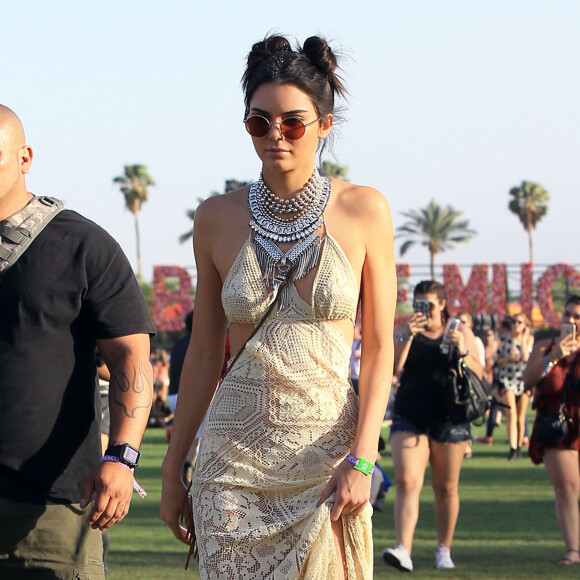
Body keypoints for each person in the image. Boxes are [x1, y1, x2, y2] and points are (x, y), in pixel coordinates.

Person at [160, 34, 396, 579]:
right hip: (231, 468)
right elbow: (201, 353)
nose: (276, 136)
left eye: (293, 122)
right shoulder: (215, 219)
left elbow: (382, 347)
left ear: (325, 124)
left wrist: (363, 459)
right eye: (259, 122)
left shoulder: (364, 210)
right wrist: (174, 468)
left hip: (328, 464)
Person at [0, 104, 155, 578]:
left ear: (25, 157)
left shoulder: (81, 245)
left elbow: (130, 357)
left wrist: (123, 457)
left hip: (50, 508)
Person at [383, 280, 482, 572]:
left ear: (442, 303)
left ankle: (444, 549)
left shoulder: (459, 330)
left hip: (450, 417)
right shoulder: (403, 331)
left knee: (446, 488)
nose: (422, 309)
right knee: (407, 482)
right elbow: (392, 369)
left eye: (427, 304)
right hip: (410, 415)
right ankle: (403, 549)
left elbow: (479, 371)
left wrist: (462, 350)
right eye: (418, 304)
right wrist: (407, 337)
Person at [525, 295, 580, 565]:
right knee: (567, 488)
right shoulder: (546, 347)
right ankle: (573, 550)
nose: (570, 320)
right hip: (556, 427)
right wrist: (555, 358)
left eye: (577, 317)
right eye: (567, 314)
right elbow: (528, 379)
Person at [494, 313, 534, 460]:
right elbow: (496, 360)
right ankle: (512, 448)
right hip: (507, 378)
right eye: (514, 322)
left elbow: (525, 357)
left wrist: (523, 339)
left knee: (520, 416)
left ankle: (518, 447)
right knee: (511, 414)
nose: (516, 325)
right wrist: (508, 359)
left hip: (523, 379)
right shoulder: (504, 339)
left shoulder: (529, 340)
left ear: (525, 325)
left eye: (519, 322)